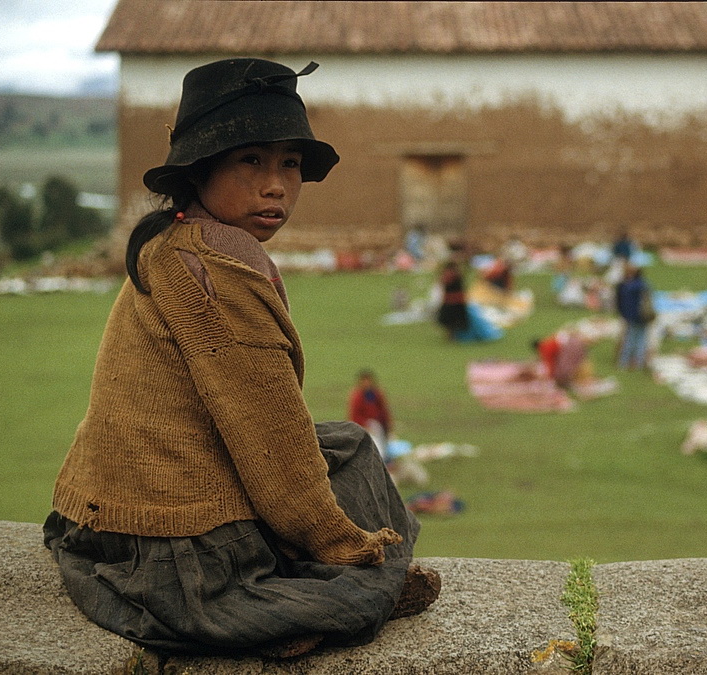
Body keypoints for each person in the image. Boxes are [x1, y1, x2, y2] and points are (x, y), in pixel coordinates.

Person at [42, 58, 438, 658]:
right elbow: (271, 437)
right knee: (345, 564)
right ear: (200, 170)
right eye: (250, 160)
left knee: (349, 445)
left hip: (101, 505)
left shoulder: (175, 239)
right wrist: (345, 548)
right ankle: (301, 607)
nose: (276, 183)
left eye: (290, 163)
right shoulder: (217, 270)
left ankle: (321, 588)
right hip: (169, 538)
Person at [615, 263, 653, 369]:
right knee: (640, 340)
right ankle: (638, 363)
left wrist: (624, 315)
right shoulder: (644, 285)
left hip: (631, 317)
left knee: (629, 339)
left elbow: (621, 302)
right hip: (643, 316)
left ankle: (623, 362)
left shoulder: (625, 286)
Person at [349, 369, 393, 457]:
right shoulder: (358, 396)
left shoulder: (376, 394)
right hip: (365, 424)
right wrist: (363, 425)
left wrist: (388, 424)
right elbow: (355, 414)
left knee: (383, 443)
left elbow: (383, 410)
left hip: (377, 423)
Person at [436, 259, 469, 339]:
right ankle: (453, 336)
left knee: (449, 322)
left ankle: (451, 337)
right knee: (455, 322)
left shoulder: (448, 274)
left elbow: (442, 283)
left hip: (450, 301)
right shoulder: (456, 274)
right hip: (457, 300)